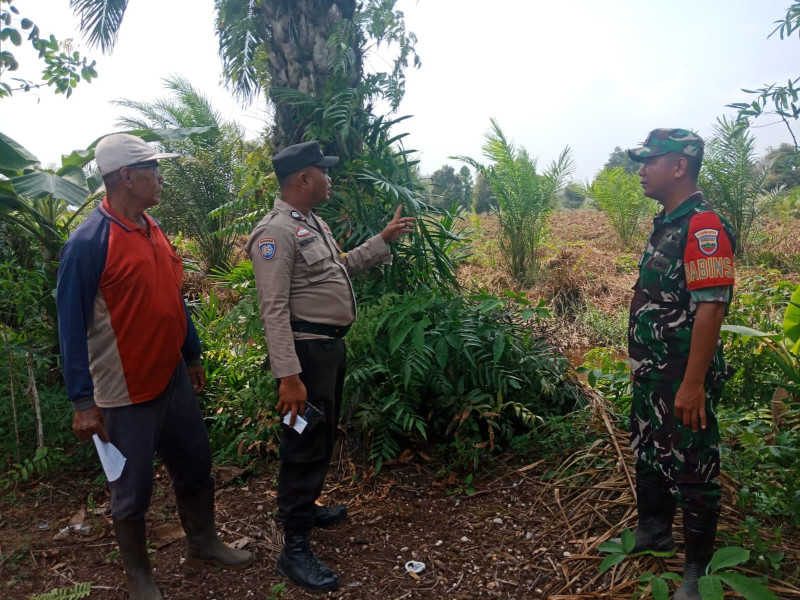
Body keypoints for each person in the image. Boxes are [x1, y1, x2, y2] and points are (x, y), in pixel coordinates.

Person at [57, 133, 253, 600]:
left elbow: (172, 295)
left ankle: (203, 542)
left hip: (171, 378)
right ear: (126, 176)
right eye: (153, 169)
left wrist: (192, 352)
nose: (161, 178)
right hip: (124, 390)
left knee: (195, 462)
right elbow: (70, 327)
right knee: (132, 485)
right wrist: (82, 401)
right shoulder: (88, 243)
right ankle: (138, 577)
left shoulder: (153, 226)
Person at [246, 141, 415, 593]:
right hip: (303, 358)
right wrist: (288, 377)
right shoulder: (275, 233)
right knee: (302, 442)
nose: (329, 178)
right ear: (304, 179)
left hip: (326, 353)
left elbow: (338, 269)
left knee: (320, 436)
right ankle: (294, 546)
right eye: (323, 171)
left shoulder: (311, 223)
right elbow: (273, 310)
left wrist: (381, 241)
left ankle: (305, 508)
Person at [624, 129, 735, 600]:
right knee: (649, 448)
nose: (642, 169)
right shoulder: (668, 223)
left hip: (680, 375)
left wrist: (693, 385)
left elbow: (711, 307)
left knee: (692, 465)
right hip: (652, 371)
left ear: (679, 166)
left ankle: (696, 570)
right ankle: (654, 530)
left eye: (650, 161)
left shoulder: (704, 227)